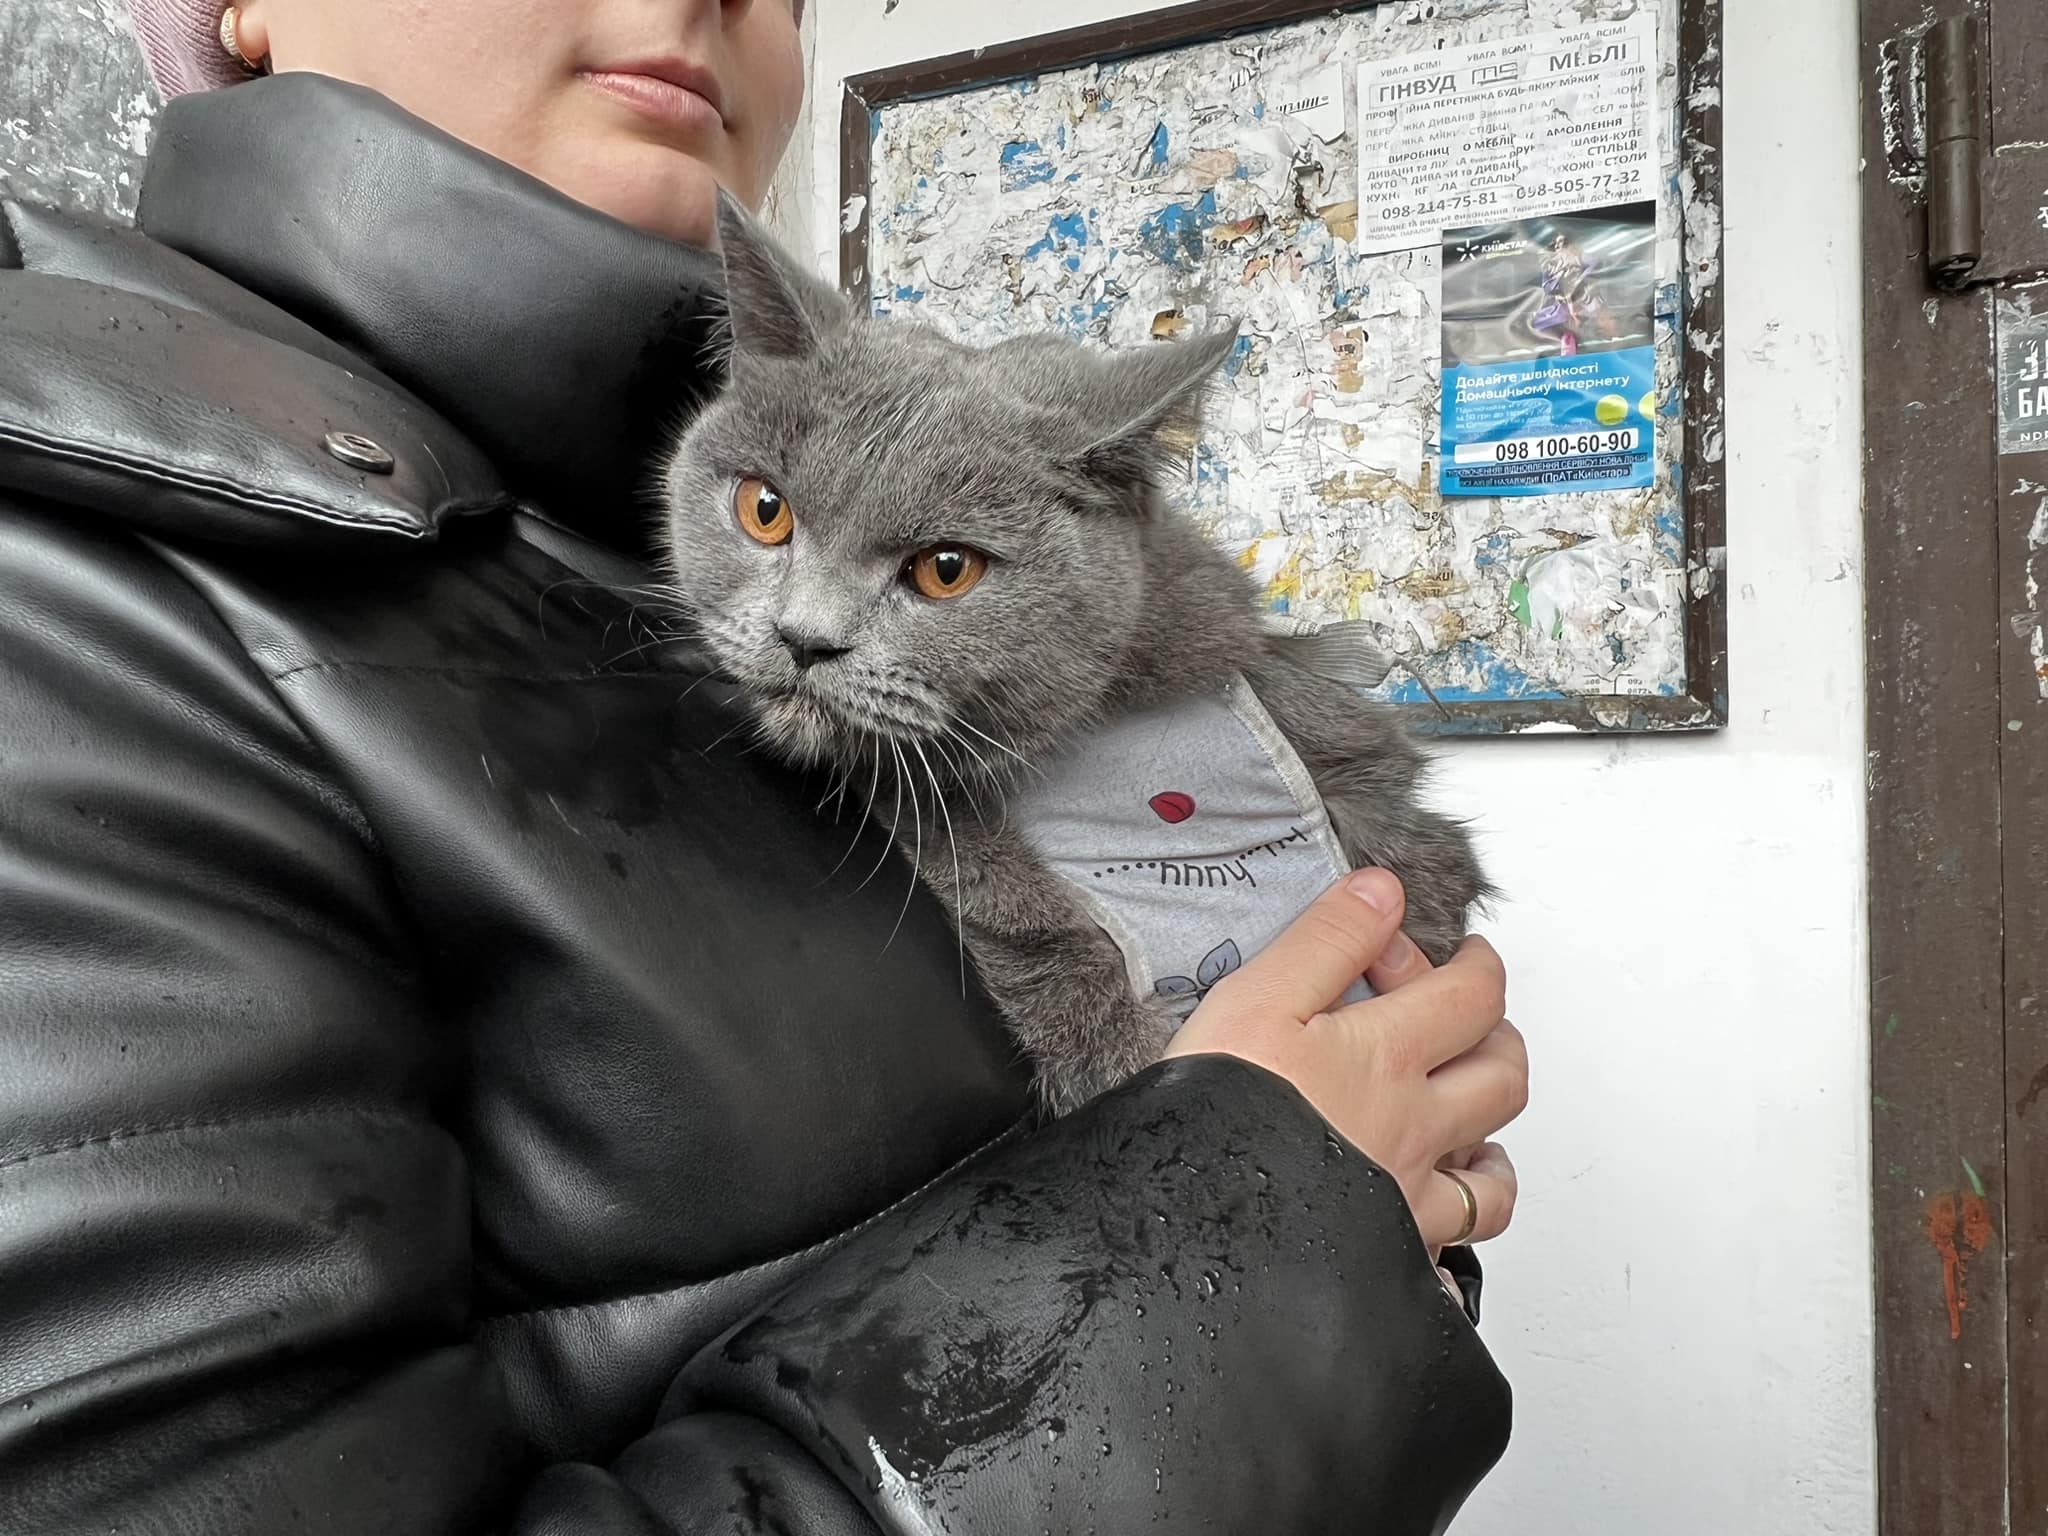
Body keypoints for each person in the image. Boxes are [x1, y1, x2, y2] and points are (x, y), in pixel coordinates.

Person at [0, 1, 1528, 1530]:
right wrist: (1256, 1223)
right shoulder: (63, 585)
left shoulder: (641, 514)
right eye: (773, 529)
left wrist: (1372, 1202)